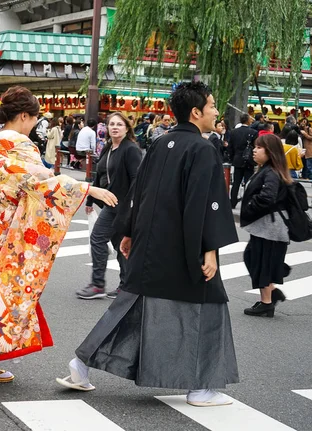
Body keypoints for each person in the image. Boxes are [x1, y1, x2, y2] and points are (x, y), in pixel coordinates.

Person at [58, 81, 240, 408]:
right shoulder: (202, 149)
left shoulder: (160, 142)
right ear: (196, 112)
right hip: (184, 248)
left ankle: (80, 365)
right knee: (207, 310)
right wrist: (209, 248)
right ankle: (200, 388)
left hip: (150, 243)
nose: (216, 111)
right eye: (212, 106)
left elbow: (139, 192)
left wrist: (128, 232)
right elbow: (205, 202)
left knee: (131, 305)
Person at [0, 86, 117, 389]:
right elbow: (48, 184)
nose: (33, 126)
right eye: (33, 120)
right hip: (3, 245)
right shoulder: (18, 154)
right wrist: (90, 189)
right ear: (24, 116)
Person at [76, 112, 142, 300]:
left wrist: (130, 204)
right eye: (111, 124)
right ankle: (127, 285)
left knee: (97, 238)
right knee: (119, 243)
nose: (115, 127)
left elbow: (137, 179)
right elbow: (99, 175)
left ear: (127, 128)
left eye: (119, 124)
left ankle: (98, 284)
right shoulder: (108, 148)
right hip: (109, 202)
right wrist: (90, 200)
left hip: (121, 204)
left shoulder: (131, 149)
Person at [241, 134, 291, 318]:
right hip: (268, 227)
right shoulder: (270, 169)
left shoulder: (271, 172)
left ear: (270, 152)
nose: (254, 150)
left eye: (259, 148)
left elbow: (267, 197)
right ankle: (271, 293)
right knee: (254, 257)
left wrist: (249, 207)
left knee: (261, 261)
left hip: (270, 227)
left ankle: (266, 303)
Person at [228, 113, 258, 208]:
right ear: (248, 120)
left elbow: (230, 147)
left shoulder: (233, 132)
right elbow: (255, 146)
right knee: (248, 182)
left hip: (237, 159)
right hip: (249, 160)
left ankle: (232, 202)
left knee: (236, 182)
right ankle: (246, 202)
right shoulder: (253, 132)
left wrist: (232, 158)